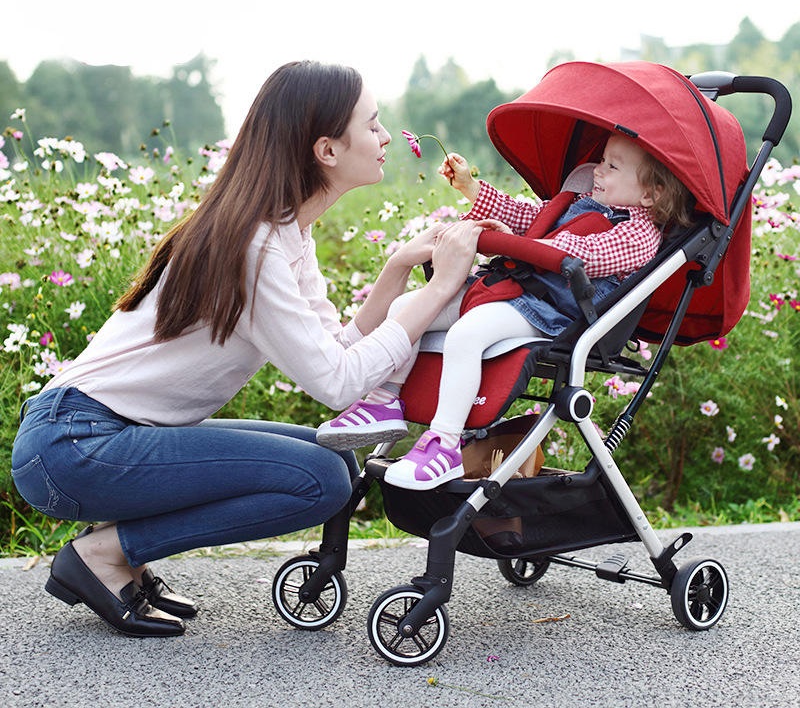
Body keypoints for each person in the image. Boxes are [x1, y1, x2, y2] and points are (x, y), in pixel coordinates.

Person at [11, 60, 482, 637]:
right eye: (374, 124)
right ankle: (107, 555)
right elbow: (336, 384)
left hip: (98, 436)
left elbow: (337, 350)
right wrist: (438, 290)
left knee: (334, 456)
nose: (386, 138)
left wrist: (396, 270)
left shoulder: (284, 233)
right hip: (74, 445)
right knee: (320, 482)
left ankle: (118, 554)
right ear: (327, 150)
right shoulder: (255, 248)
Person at [317, 132, 693, 490]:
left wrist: (518, 245)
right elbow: (528, 216)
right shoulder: (580, 204)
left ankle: (445, 442)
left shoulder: (638, 235)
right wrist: (471, 188)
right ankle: (386, 401)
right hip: (513, 291)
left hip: (549, 312)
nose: (597, 169)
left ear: (651, 193)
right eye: (602, 160)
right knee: (406, 306)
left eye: (612, 166)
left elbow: (582, 256)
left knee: (468, 333)